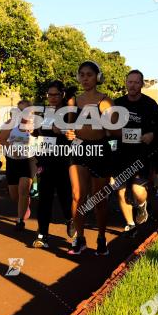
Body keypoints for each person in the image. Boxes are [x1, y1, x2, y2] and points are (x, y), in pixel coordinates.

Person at [66, 60, 115, 256]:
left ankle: (102, 238)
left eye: (89, 75)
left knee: (99, 199)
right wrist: (69, 133)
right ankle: (80, 237)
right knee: (78, 196)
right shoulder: (72, 101)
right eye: (82, 75)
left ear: (97, 78)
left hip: (100, 150)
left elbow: (113, 129)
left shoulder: (105, 101)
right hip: (78, 149)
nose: (85, 78)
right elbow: (68, 127)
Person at [113, 70, 158, 236]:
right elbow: (108, 124)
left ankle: (142, 206)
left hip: (141, 154)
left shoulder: (149, 104)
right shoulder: (117, 103)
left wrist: (152, 134)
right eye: (130, 82)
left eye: (136, 82)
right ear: (126, 83)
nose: (133, 85)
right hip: (121, 153)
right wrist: (114, 132)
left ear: (142, 84)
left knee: (137, 189)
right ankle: (130, 223)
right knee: (120, 189)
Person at [32, 81, 73, 249]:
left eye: (56, 94)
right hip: (46, 161)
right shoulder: (44, 112)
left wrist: (62, 131)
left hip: (64, 162)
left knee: (65, 197)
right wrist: (32, 129)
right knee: (44, 199)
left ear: (62, 94)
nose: (52, 98)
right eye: (50, 95)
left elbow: (76, 134)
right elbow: (38, 132)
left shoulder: (70, 112)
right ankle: (42, 234)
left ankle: (70, 220)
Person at [0, 100, 36, 231]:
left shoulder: (37, 125)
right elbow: (2, 139)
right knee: (14, 195)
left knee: (23, 190)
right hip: (12, 161)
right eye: (20, 110)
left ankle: (20, 219)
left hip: (29, 161)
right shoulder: (10, 124)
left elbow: (44, 141)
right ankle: (25, 205)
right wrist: (11, 148)